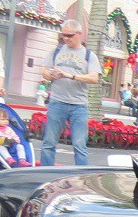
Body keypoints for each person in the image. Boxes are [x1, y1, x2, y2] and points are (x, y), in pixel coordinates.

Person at [39, 19, 100, 165]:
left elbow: (94, 78)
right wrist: (51, 75)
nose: (66, 38)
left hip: (78, 105)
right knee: (49, 142)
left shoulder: (89, 55)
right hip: (57, 102)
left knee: (80, 145)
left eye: (69, 35)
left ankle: (82, 175)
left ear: (79, 34)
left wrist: (70, 76)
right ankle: (45, 174)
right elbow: (44, 71)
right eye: (63, 35)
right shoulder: (56, 51)